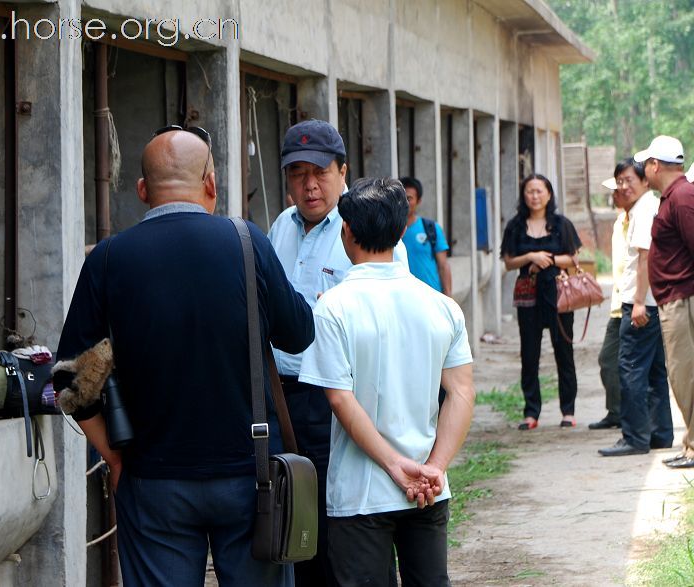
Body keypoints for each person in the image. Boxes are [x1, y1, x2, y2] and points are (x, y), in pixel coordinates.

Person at [56, 127, 314, 586]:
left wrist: (114, 460)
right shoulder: (246, 241)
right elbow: (299, 334)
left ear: (141, 190)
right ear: (211, 183)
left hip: (153, 481)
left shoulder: (110, 258)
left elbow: (71, 384)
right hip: (251, 475)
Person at [299, 177, 475, 586]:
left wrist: (396, 466)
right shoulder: (442, 307)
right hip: (429, 491)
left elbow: (341, 401)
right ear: (401, 232)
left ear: (347, 232)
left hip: (361, 495)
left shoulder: (333, 309)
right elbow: (461, 392)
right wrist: (435, 466)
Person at [267, 119, 408, 586]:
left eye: (320, 172)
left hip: (339, 399)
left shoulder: (367, 230)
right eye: (297, 173)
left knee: (346, 524)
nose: (309, 185)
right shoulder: (279, 229)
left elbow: (388, 321)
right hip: (283, 400)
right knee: (293, 521)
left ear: (343, 170)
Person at [598, 158, 673, 456]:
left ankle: (634, 438)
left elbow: (645, 258)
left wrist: (639, 302)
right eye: (620, 180)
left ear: (644, 180)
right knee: (654, 372)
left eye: (629, 179)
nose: (624, 185)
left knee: (629, 370)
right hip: (651, 303)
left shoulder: (644, 211)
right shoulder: (645, 208)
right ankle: (660, 434)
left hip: (641, 304)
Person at [501, 174, 582, 430]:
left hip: (558, 294)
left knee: (564, 353)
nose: (534, 196)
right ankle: (531, 412)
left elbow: (573, 258)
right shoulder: (515, 226)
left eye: (539, 191)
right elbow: (508, 262)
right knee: (530, 355)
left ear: (548, 194)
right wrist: (530, 256)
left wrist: (551, 260)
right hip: (528, 297)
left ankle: (568, 411)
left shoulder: (561, 224)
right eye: (529, 191)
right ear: (524, 196)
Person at [634, 135, 694, 468]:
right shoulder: (671, 197)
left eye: (646, 164)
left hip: (684, 300)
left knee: (685, 373)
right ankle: (691, 444)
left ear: (656, 165)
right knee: (681, 374)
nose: (644, 169)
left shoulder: (683, 197)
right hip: (674, 300)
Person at [589, 177, 626, 430]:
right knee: (609, 361)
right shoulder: (620, 222)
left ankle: (625, 415)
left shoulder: (643, 218)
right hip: (620, 303)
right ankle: (616, 412)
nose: (613, 196)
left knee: (617, 361)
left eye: (616, 191)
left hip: (635, 304)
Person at [399, 176, 452, 295]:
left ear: (418, 201)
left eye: (409, 198)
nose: (405, 203)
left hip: (432, 298)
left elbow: (443, 265)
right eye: (402, 198)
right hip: (403, 300)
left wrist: (449, 298)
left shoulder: (431, 228)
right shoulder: (389, 231)